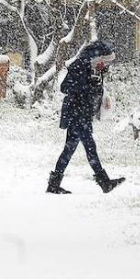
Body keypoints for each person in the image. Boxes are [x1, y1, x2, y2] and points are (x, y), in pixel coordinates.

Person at [47, 39, 125, 194]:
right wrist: (87, 85)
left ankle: (54, 184)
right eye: (105, 61)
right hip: (77, 114)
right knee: (90, 147)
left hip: (82, 114)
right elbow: (65, 87)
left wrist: (102, 96)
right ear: (98, 58)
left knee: (69, 149)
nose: (106, 65)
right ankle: (104, 182)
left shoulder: (93, 69)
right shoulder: (80, 65)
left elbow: (93, 90)